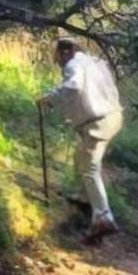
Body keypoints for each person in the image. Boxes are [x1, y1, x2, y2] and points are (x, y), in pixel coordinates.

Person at [37, 38, 124, 245]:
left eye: (56, 55)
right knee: (80, 156)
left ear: (65, 52)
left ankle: (103, 217)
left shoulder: (74, 64)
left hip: (98, 123)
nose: (56, 60)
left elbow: (73, 86)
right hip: (111, 117)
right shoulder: (95, 63)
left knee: (90, 169)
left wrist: (50, 98)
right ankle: (84, 198)